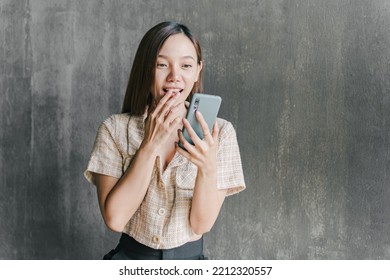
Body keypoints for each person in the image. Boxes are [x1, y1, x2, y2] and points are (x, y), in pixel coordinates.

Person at [84, 21, 246, 260]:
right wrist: (149, 145)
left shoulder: (221, 133)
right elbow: (115, 220)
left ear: (198, 70)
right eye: (161, 65)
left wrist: (207, 166)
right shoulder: (114, 129)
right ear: (145, 69)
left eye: (186, 65)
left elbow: (201, 225)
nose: (174, 77)